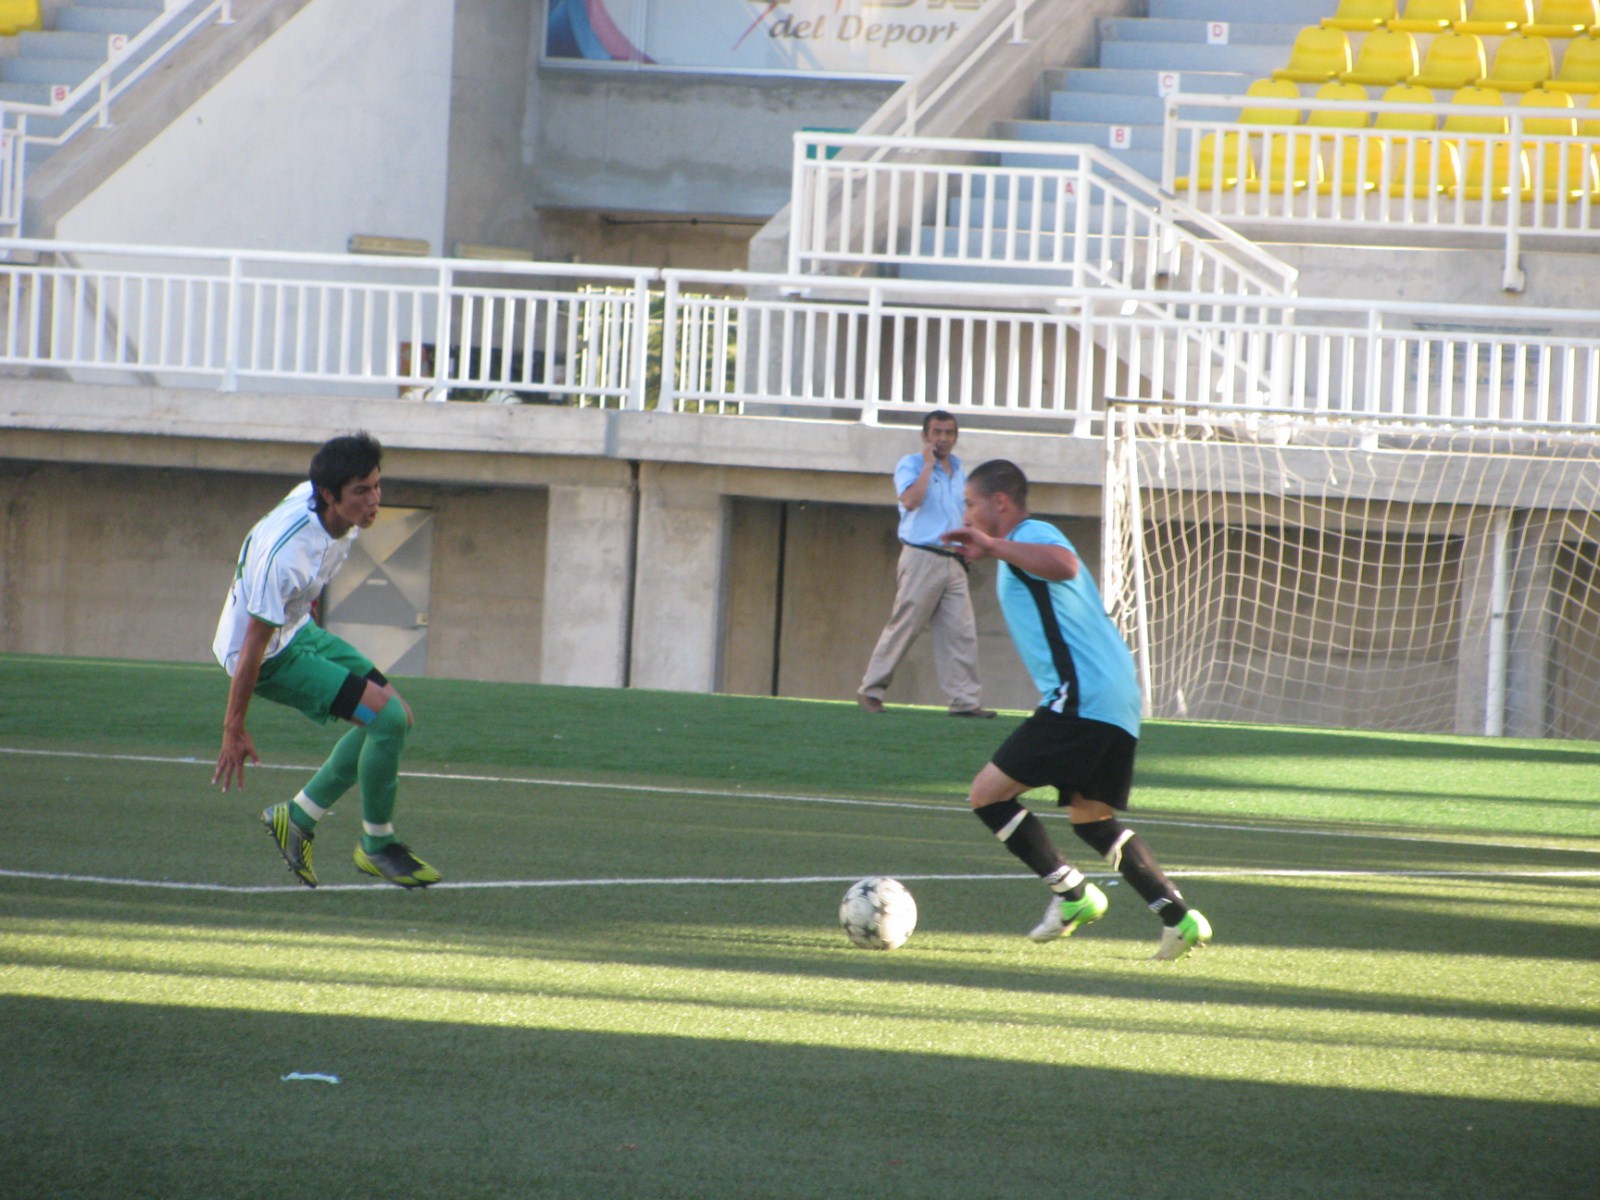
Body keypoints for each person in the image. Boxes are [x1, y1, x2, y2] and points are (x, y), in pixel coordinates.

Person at [940, 459, 1210, 960]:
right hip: (1113, 698)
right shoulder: (1018, 546)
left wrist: (996, 545)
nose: (967, 512)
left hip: (1083, 696)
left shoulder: (1031, 532)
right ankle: (1179, 918)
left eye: (971, 502)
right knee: (1090, 820)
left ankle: (1073, 895)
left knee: (987, 796)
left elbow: (1063, 563)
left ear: (1000, 502)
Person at [211, 432, 441, 890]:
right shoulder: (287, 554)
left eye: (377, 485)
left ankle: (297, 816)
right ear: (330, 497)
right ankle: (376, 845)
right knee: (386, 718)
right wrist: (233, 726)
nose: (374, 499)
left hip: (297, 631)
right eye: (362, 491)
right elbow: (256, 638)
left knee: (398, 719)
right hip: (267, 656)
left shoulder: (327, 503)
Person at [857, 411, 995, 718]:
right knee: (905, 625)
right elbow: (910, 501)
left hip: (954, 560)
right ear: (925, 436)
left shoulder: (960, 471)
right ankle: (871, 691)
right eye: (937, 432)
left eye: (949, 433)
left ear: (956, 437)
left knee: (961, 632)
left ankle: (965, 702)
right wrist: (928, 465)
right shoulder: (911, 465)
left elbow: (964, 514)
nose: (943, 438)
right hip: (922, 557)